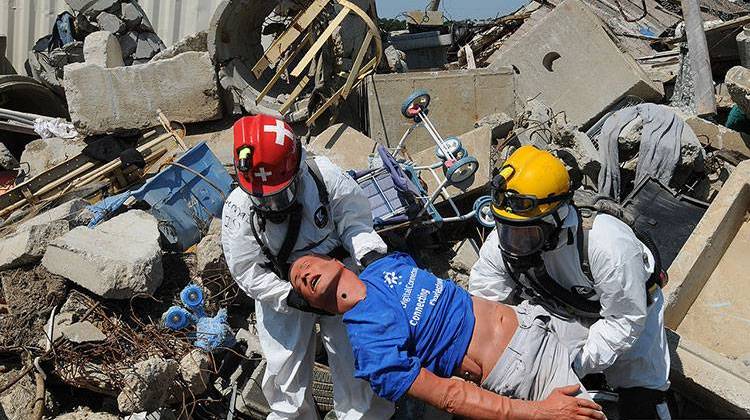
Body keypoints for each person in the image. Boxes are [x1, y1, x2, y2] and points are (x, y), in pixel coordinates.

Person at [469, 145, 671, 419]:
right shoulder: (502, 246)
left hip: (629, 309)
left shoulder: (607, 246)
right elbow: (484, 306)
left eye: (527, 233)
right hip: (562, 306)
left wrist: (573, 362)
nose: (514, 244)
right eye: (506, 229)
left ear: (557, 219)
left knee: (642, 401)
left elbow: (625, 320)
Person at [288, 251, 606, 420]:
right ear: (318, 306)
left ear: (331, 259)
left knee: (639, 349)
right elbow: (450, 397)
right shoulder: (369, 345)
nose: (303, 274)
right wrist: (541, 413)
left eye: (304, 264)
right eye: (300, 284)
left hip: (534, 316)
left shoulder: (387, 265)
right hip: (526, 368)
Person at [221, 114, 393, 420]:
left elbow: (356, 221)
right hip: (283, 289)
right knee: (285, 375)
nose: (273, 205)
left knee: (356, 360)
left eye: (280, 194)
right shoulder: (239, 208)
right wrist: (289, 297)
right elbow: (247, 270)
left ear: (295, 167)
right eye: (264, 198)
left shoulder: (323, 176)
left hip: (340, 276)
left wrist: (369, 255)